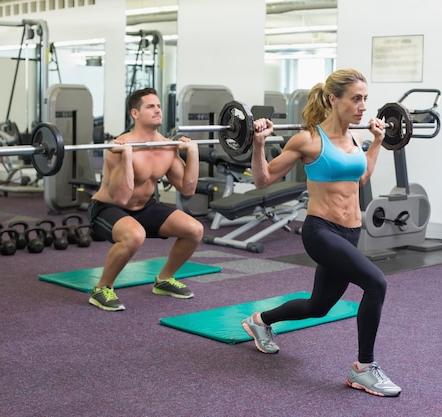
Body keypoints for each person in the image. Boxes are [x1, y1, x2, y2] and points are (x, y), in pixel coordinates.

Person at [240, 68, 401, 397]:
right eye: (356, 99)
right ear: (333, 99)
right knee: (376, 283)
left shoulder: (355, 138)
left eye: (365, 99)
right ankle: (364, 368)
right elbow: (263, 180)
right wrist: (258, 144)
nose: (362, 106)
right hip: (320, 230)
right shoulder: (309, 139)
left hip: (351, 232)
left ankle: (260, 321)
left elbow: (361, 178)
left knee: (319, 306)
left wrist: (379, 142)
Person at [87, 87, 204, 311]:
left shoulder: (167, 147)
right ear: (135, 113)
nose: (157, 110)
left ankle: (164, 280)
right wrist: (127, 157)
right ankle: (102, 288)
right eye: (150, 106)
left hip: (144, 207)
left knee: (194, 230)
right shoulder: (118, 147)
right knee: (135, 235)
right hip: (107, 208)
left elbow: (187, 189)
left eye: (158, 106)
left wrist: (193, 153)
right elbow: (121, 197)